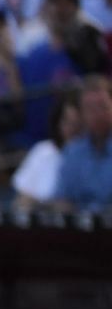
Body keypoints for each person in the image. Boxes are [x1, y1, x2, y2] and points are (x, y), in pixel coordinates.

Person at [56, 75, 112, 209]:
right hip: (80, 226)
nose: (97, 114)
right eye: (90, 108)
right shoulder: (72, 152)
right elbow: (63, 200)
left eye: (102, 106)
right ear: (81, 113)